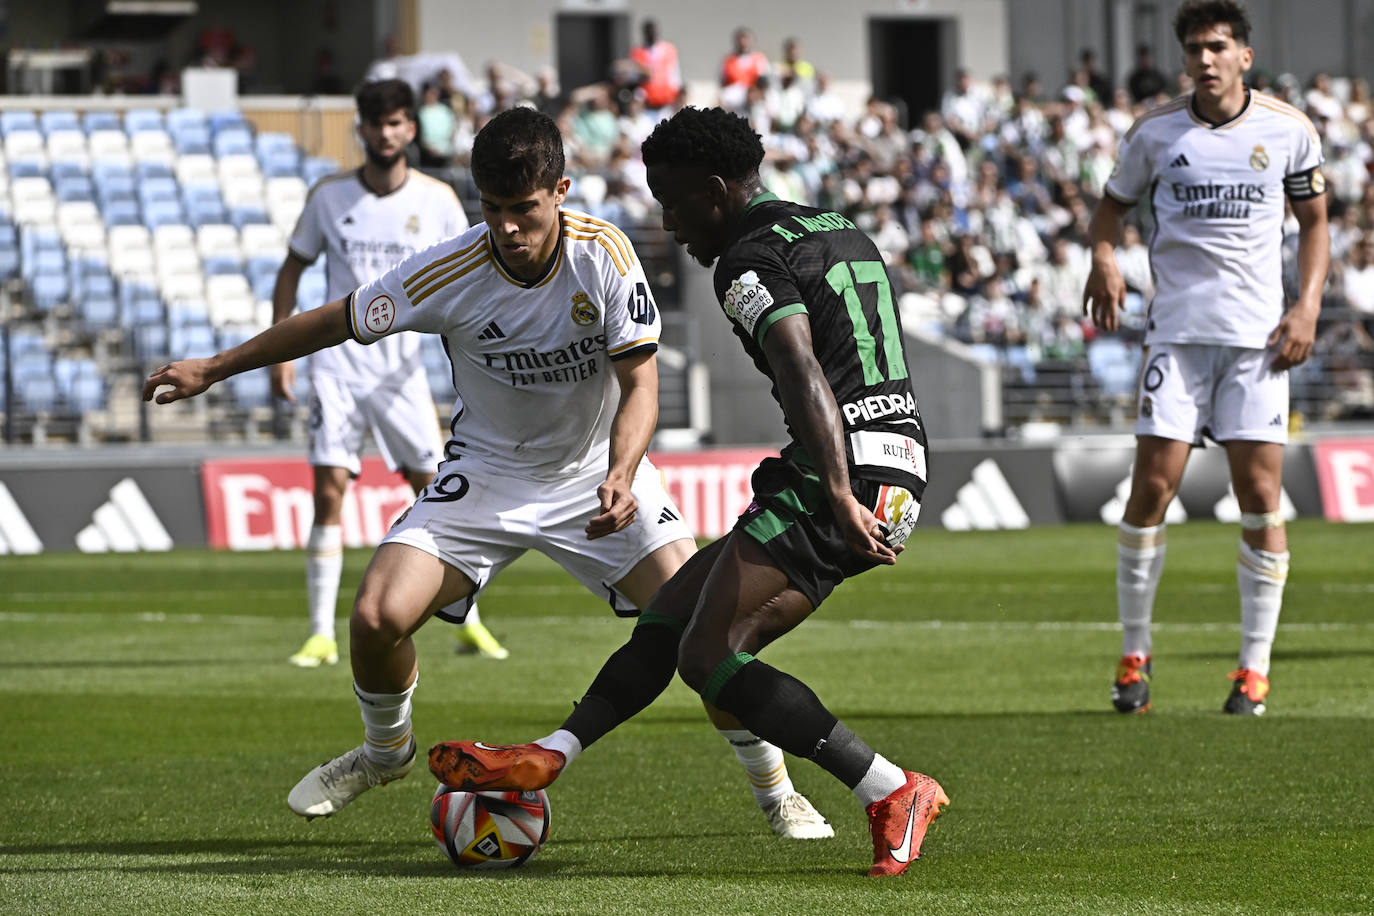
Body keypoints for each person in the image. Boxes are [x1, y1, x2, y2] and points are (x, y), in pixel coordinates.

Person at [145, 106, 832, 841]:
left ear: (561, 190)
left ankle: (775, 791)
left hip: (596, 478)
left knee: (708, 634)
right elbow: (336, 318)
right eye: (494, 208)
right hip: (487, 476)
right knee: (376, 616)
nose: (508, 227)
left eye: (524, 209)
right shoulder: (448, 270)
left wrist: (623, 473)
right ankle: (386, 754)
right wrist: (215, 367)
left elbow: (641, 385)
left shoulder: (605, 256)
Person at [427, 106, 949, 877]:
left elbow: (803, 370)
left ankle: (892, 788)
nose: (669, 224)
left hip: (841, 472)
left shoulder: (745, 257)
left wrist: (838, 493)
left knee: (710, 656)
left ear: (714, 189)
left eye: (672, 202)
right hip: (890, 457)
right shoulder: (837, 226)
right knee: (670, 617)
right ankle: (548, 756)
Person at [1081, 0, 1328, 716]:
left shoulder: (1288, 131)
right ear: (1183, 59)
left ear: (1244, 55)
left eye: (1218, 46)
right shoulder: (1155, 133)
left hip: (1258, 345)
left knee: (1259, 496)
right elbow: (1109, 211)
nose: (1206, 60)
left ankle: (1253, 671)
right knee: (1152, 488)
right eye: (1194, 49)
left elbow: (1315, 224)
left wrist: (1306, 305)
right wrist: (1103, 258)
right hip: (1177, 338)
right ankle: (1134, 657)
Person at [268, 78, 507, 668]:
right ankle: (321, 632)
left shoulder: (436, 201)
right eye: (375, 123)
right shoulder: (328, 198)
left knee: (436, 490)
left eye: (396, 122)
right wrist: (281, 350)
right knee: (329, 491)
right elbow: (291, 269)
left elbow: (476, 275)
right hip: (337, 368)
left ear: (410, 129)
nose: (385, 133)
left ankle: (469, 622)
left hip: (401, 371)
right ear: (362, 129)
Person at [628, 19, 682, 114]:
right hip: (647, 104)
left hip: (666, 102)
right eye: (649, 32)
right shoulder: (637, 52)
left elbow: (675, 75)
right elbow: (633, 77)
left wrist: (677, 97)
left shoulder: (669, 49)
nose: (652, 35)